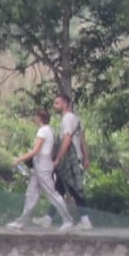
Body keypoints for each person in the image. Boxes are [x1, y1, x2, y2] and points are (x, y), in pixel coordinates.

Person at [8, 107, 72, 230]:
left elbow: (36, 150)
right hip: (40, 165)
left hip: (43, 165)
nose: (34, 118)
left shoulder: (43, 131)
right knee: (31, 193)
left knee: (51, 193)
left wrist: (19, 159)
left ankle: (67, 220)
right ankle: (21, 222)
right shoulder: (49, 130)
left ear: (39, 118)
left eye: (35, 116)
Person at [52, 93, 93, 230]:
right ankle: (48, 218)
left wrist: (58, 157)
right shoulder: (75, 118)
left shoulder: (67, 118)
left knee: (75, 190)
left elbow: (67, 139)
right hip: (76, 158)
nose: (55, 106)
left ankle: (85, 220)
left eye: (57, 103)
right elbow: (82, 141)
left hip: (70, 160)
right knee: (60, 188)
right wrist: (86, 157)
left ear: (65, 104)